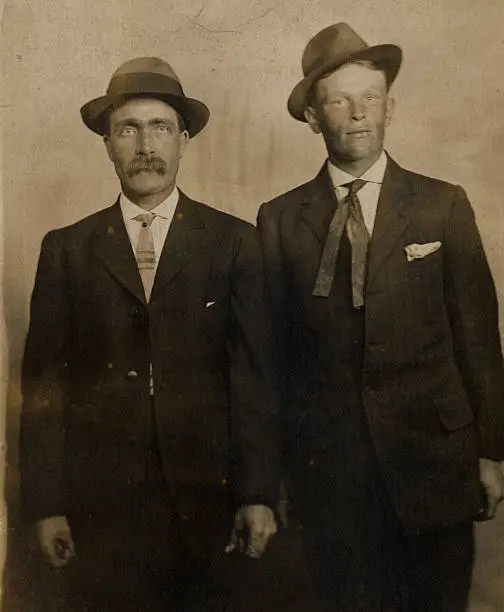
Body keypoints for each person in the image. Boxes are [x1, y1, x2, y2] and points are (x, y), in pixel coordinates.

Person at [257, 23, 504, 612]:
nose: (358, 114)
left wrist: (492, 452)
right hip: (329, 475)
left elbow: (478, 336)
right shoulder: (280, 219)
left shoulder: (443, 204)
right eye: (339, 101)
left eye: (371, 98)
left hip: (436, 469)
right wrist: (271, 479)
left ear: (391, 108)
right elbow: (268, 360)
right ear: (315, 118)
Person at [20, 57, 278, 611]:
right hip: (101, 506)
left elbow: (254, 381)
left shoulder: (234, 243)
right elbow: (44, 390)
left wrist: (257, 495)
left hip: (209, 499)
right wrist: (45, 504)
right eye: (127, 129)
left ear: (183, 139)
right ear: (107, 145)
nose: (145, 146)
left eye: (159, 128)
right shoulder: (67, 249)